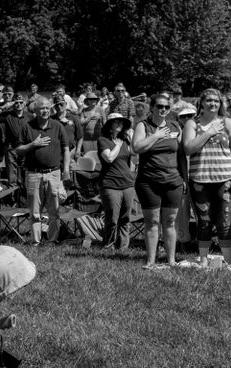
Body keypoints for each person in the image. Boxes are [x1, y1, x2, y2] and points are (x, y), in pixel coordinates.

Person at [183, 88, 231, 265]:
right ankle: (203, 259)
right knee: (204, 221)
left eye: (216, 101)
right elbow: (188, 148)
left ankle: (228, 259)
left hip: (224, 181)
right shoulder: (192, 124)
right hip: (200, 180)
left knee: (225, 222)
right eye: (209, 100)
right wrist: (208, 132)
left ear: (221, 104)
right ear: (201, 102)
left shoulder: (228, 123)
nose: (213, 104)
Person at [132, 93, 186, 268]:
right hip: (148, 181)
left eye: (166, 107)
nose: (163, 109)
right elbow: (137, 148)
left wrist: (185, 178)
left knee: (170, 221)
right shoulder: (143, 126)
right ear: (152, 107)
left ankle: (171, 260)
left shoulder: (175, 125)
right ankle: (151, 260)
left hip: (173, 180)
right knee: (152, 221)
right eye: (159, 106)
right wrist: (156, 135)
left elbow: (182, 154)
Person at [14, 98, 70, 244]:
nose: (45, 110)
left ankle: (52, 241)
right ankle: (36, 242)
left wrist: (66, 170)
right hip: (33, 174)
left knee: (54, 211)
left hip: (54, 173)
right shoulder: (27, 127)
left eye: (47, 108)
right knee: (34, 211)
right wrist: (33, 144)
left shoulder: (57, 126)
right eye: (42, 108)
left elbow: (66, 148)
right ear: (35, 111)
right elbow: (18, 150)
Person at [98, 113, 135, 250]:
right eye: (116, 122)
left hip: (128, 183)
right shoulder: (103, 140)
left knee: (125, 218)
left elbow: (135, 157)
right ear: (109, 125)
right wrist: (118, 145)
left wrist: (131, 140)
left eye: (122, 122)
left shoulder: (125, 141)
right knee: (112, 218)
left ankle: (123, 247)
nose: (120, 124)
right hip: (110, 184)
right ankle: (108, 245)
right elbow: (109, 158)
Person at [78, 91, 106, 155]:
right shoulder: (84, 110)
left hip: (98, 137)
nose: (93, 101)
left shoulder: (100, 109)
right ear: (88, 101)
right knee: (88, 156)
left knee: (98, 156)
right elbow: (81, 122)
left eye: (95, 99)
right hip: (86, 137)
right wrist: (90, 116)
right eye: (91, 99)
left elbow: (105, 122)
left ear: (96, 100)